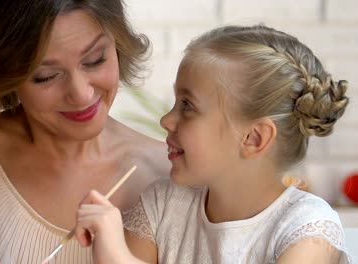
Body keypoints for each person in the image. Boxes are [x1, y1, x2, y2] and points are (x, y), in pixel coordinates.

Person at [0, 0, 170, 263]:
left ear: (117, 43)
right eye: (45, 76)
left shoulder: (171, 176)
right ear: (7, 76)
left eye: (95, 59)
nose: (82, 95)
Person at [74, 25, 352, 263]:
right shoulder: (162, 206)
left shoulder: (309, 228)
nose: (166, 120)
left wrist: (117, 256)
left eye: (187, 106)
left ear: (253, 138)